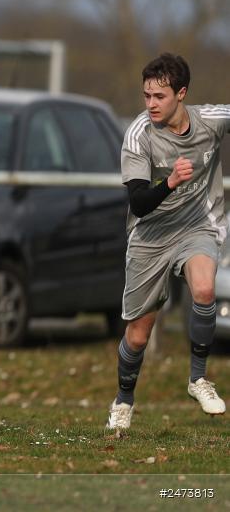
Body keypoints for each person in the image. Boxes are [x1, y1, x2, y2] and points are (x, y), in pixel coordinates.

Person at [107, 52, 227, 431]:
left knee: (205, 290)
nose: (151, 104)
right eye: (146, 96)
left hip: (198, 225)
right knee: (139, 335)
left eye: (159, 96)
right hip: (151, 237)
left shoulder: (211, 121)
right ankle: (124, 400)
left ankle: (197, 379)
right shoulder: (139, 134)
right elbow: (139, 204)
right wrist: (171, 181)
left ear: (181, 94)